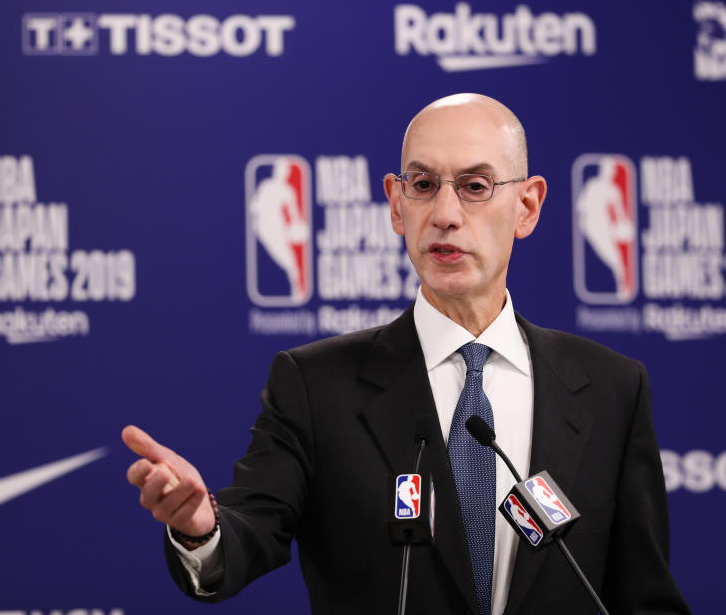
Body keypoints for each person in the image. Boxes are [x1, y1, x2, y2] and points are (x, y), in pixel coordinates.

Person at [123, 93, 690, 614]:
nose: (445, 212)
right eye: (423, 185)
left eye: (475, 186)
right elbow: (252, 528)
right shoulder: (316, 385)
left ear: (528, 206)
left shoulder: (611, 387)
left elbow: (644, 595)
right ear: (397, 206)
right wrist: (202, 528)